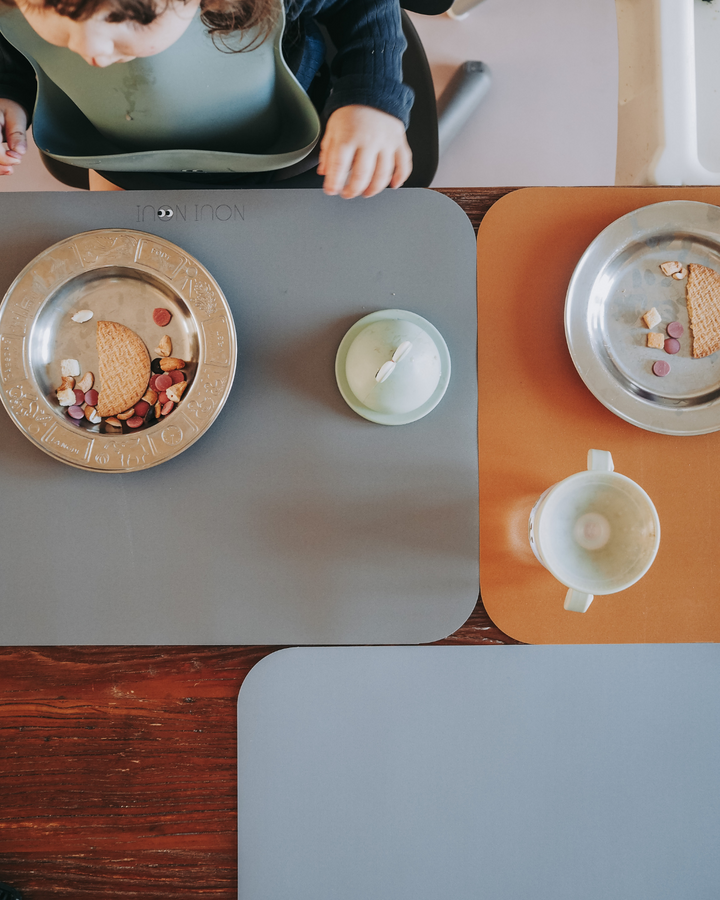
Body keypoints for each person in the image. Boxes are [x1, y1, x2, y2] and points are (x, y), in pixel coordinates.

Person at [0, 0, 414, 197]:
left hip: (275, 133)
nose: (91, 51)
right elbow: (16, 52)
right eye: (45, 8)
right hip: (119, 152)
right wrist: (9, 93)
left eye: (132, 18)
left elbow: (362, 5)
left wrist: (370, 98)